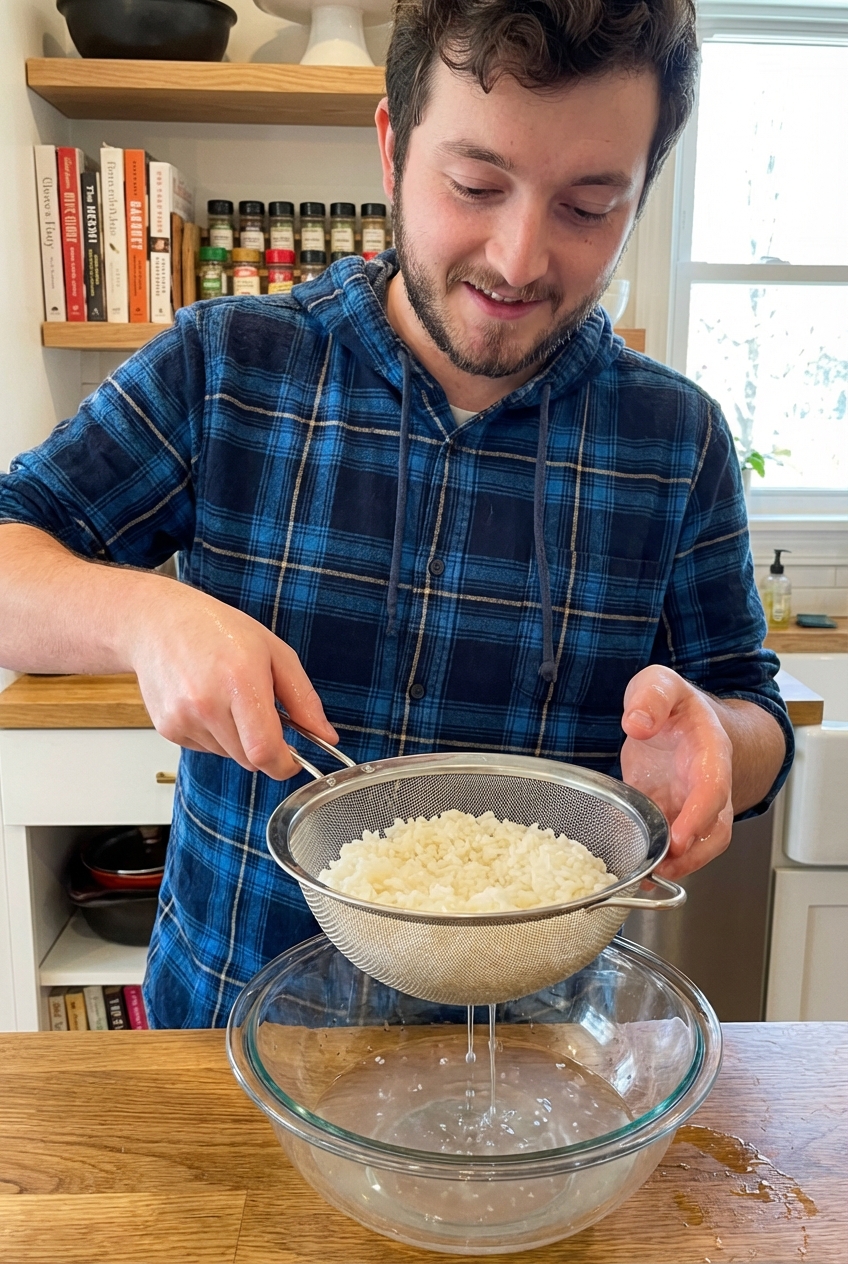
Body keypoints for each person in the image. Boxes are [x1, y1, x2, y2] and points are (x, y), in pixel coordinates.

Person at [0, 0, 792, 1028]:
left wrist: (720, 745)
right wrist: (145, 620)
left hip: (528, 1069)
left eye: (587, 205)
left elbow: (752, 710)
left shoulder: (674, 440)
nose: (516, 259)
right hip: (227, 1041)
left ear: (640, 195)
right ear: (390, 149)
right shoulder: (225, 366)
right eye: (474, 185)